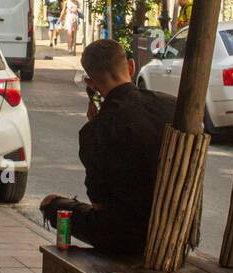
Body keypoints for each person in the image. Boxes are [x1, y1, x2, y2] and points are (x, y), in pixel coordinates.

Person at [40, 39, 175, 255]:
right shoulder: (172, 106)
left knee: (52, 205)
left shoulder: (95, 130)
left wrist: (95, 122)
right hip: (176, 233)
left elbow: (99, 204)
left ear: (90, 83)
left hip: (126, 239)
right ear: (131, 67)